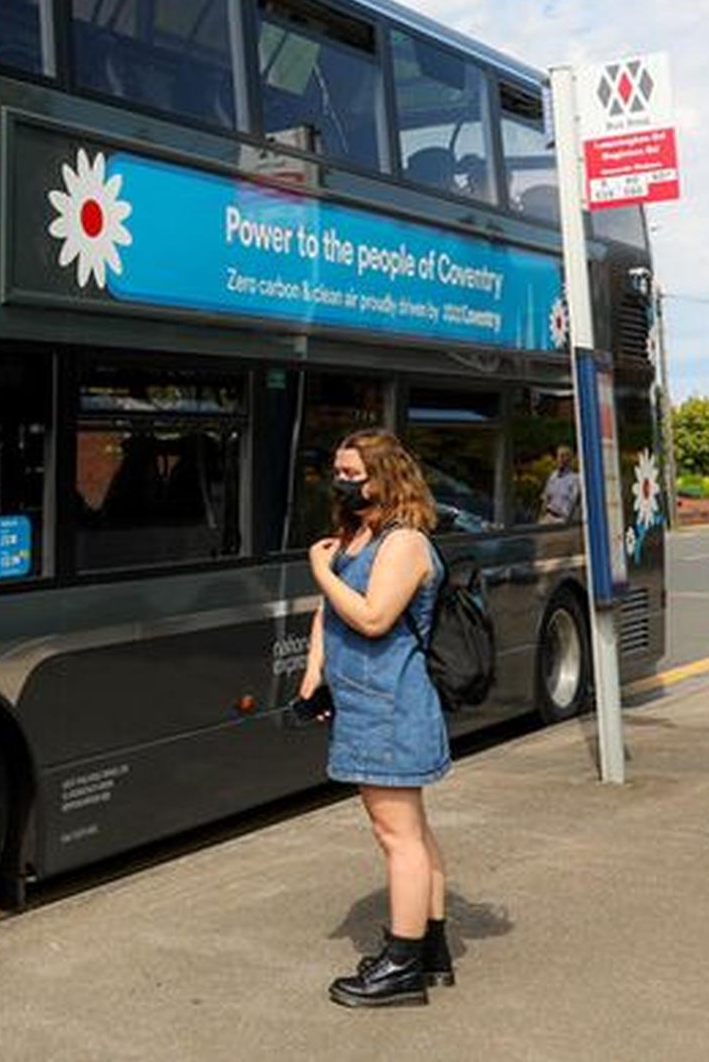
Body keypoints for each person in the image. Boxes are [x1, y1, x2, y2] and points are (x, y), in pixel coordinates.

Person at [296, 427, 453, 1007]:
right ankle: (431, 951)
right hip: (365, 702)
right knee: (411, 830)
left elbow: (370, 617)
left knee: (398, 837)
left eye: (352, 474)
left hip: (391, 706)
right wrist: (315, 676)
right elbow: (329, 618)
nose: (340, 482)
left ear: (385, 476)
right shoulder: (359, 534)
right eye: (336, 471)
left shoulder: (405, 543)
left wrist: (321, 572)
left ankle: (402, 966)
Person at [539, 445, 581, 523]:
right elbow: (546, 498)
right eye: (559, 456)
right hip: (548, 516)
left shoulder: (575, 479)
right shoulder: (553, 476)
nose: (561, 459)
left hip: (562, 519)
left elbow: (573, 502)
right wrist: (541, 517)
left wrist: (567, 521)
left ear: (569, 459)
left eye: (563, 455)